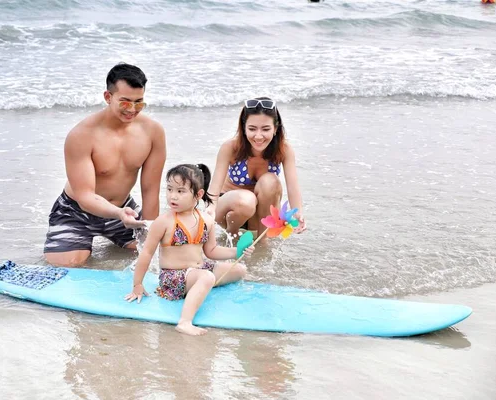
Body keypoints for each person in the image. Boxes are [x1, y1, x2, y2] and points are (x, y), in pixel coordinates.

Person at [44, 63, 167, 267]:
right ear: (108, 97)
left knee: (162, 253)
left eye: (139, 103)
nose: (132, 110)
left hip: (124, 210)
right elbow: (84, 197)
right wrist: (118, 214)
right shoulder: (82, 135)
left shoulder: (153, 132)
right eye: (125, 102)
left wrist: (149, 233)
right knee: (70, 265)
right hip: (76, 212)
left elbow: (151, 191)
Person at [125, 164, 255, 336]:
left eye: (180, 191)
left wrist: (238, 252)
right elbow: (147, 253)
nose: (173, 196)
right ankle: (185, 322)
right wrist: (137, 285)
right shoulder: (164, 222)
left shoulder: (206, 220)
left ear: (199, 194)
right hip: (173, 279)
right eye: (170, 189)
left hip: (198, 270)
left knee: (239, 270)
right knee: (207, 277)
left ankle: (200, 286)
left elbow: (212, 251)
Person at [205, 97, 306, 238]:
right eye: (252, 129)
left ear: (275, 128)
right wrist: (209, 209)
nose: (258, 136)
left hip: (261, 214)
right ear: (244, 128)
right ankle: (231, 235)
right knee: (247, 200)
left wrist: (298, 213)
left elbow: (293, 186)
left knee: (271, 181)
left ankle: (262, 240)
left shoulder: (284, 149)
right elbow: (214, 189)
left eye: (265, 129)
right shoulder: (230, 147)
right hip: (231, 209)